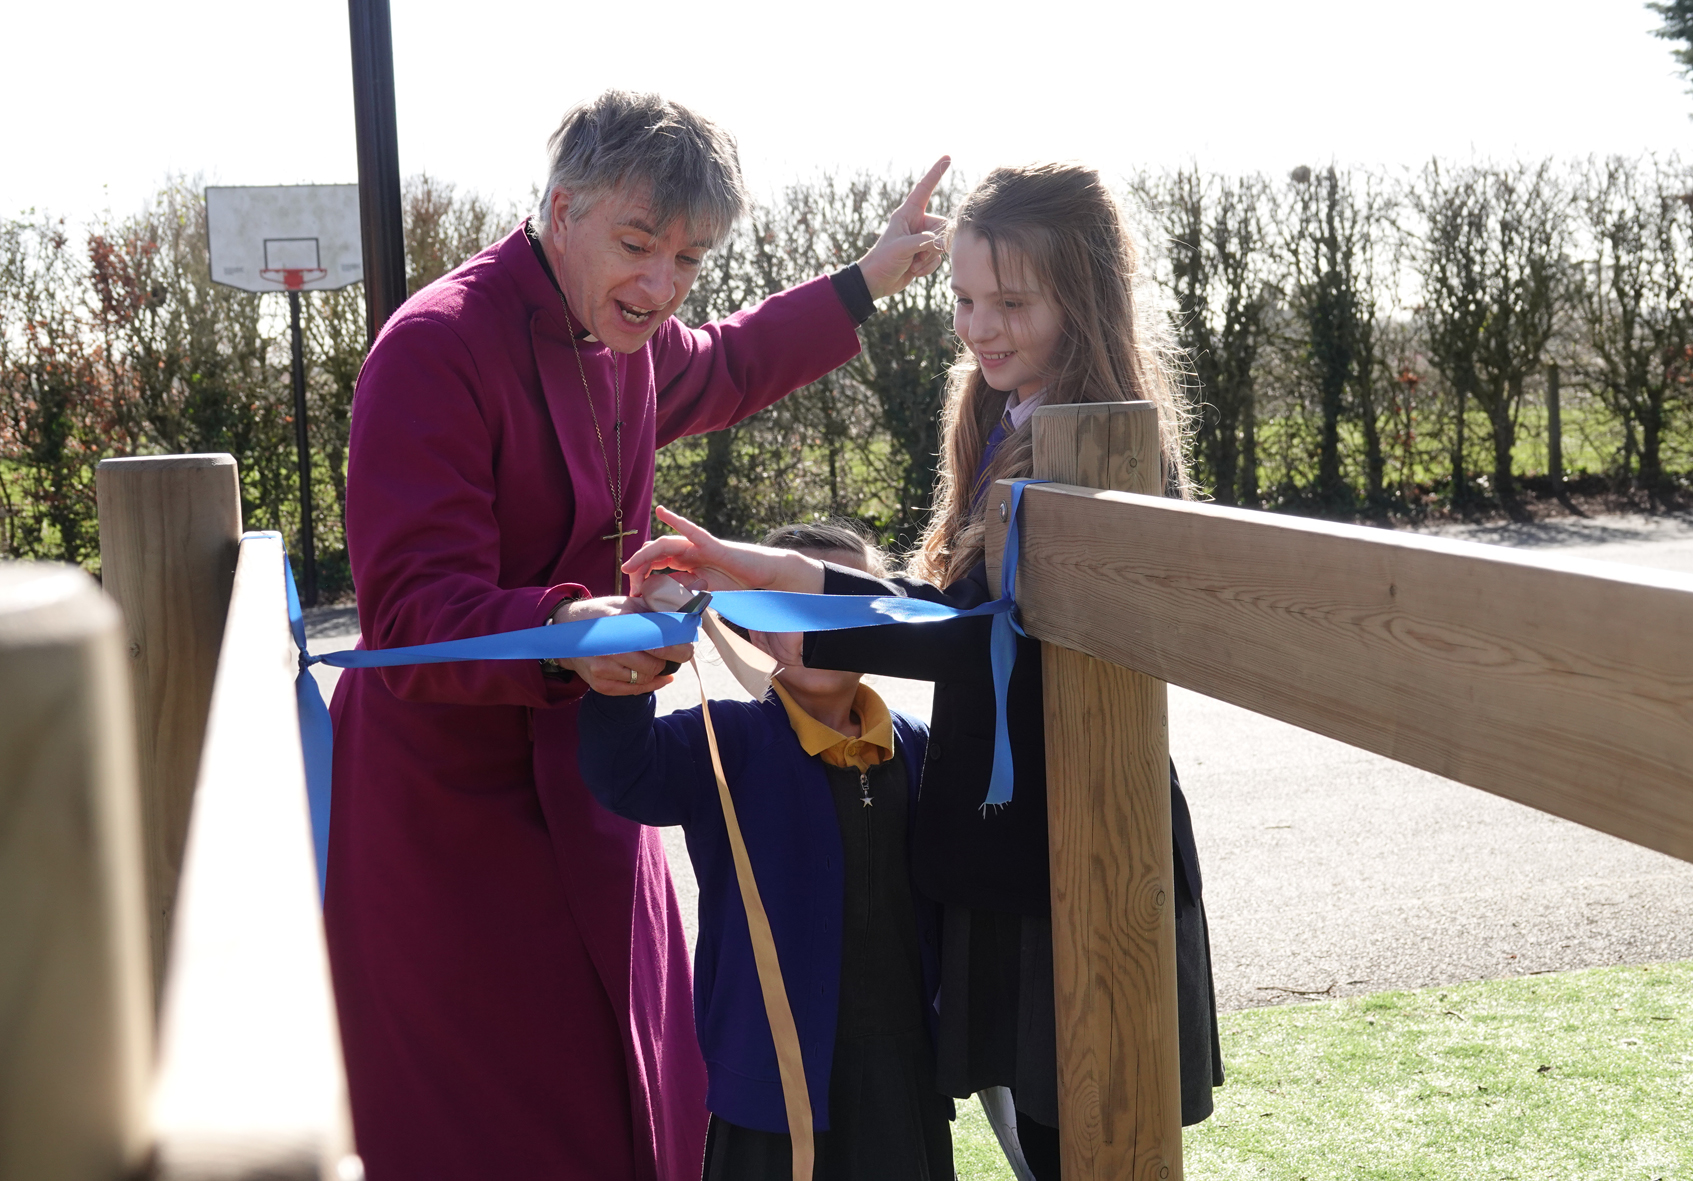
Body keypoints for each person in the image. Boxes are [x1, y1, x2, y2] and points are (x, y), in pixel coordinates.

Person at [327, 89, 948, 1181]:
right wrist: (569, 628)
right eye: (636, 244)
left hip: (590, 781)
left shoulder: (631, 338)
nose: (661, 286)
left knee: (638, 1106)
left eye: (690, 259)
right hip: (448, 818)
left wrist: (864, 279)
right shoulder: (432, 347)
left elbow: (734, 359)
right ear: (559, 207)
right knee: (489, 1127)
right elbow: (413, 609)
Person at [623, 163, 1223, 1181]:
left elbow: (986, 638)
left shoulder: (1103, 445)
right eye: (963, 299)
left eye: (1011, 302)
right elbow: (960, 617)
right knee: (1040, 1144)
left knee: (1087, 1144)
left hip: (1089, 854)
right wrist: (787, 577)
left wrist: (805, 601)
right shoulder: (997, 420)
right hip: (1006, 863)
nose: (980, 325)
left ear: (1081, 298)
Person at [580, 522, 953, 1181]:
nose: (821, 629)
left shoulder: (919, 746)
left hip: (903, 1077)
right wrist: (648, 649)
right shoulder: (728, 740)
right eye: (792, 607)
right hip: (768, 1087)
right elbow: (623, 773)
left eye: (843, 609)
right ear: (752, 628)